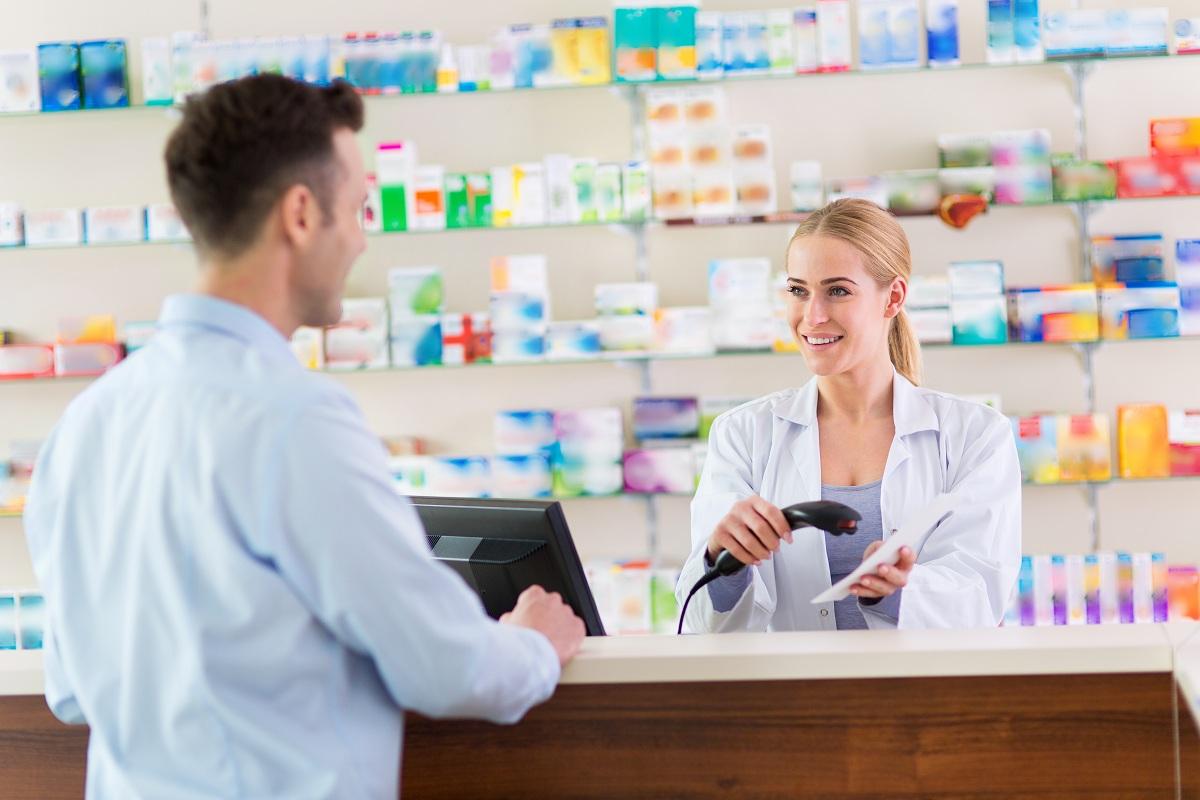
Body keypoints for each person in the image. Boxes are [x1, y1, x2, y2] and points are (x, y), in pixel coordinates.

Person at [23, 74, 584, 799]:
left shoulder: (89, 421)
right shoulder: (293, 417)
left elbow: (71, 690)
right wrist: (533, 641)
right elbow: (444, 667)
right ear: (299, 213)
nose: (362, 237)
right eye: (356, 209)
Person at [677, 198, 1021, 633]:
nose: (812, 316)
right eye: (798, 290)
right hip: (791, 678)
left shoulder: (976, 435)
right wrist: (722, 561)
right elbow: (704, 624)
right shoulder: (743, 435)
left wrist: (895, 592)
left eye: (837, 291)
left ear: (893, 297)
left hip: (921, 676)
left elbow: (981, 596)